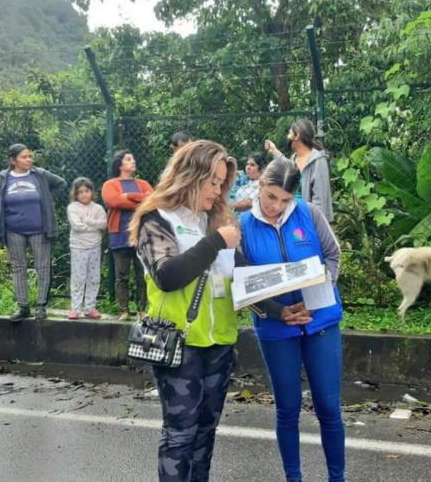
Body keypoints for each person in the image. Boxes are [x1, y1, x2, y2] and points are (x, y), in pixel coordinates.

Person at [129, 140, 241, 482]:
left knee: (206, 433)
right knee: (180, 434)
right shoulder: (157, 218)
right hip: (178, 343)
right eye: (213, 182)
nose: (218, 190)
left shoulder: (218, 219)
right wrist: (217, 241)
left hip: (220, 341)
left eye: (222, 183)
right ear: (191, 176)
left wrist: (280, 309)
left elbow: (242, 277)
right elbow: (167, 275)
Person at [239, 157, 345, 482]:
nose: (277, 206)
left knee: (328, 406)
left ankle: (336, 478)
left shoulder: (309, 213)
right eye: (271, 197)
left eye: (285, 200)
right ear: (260, 186)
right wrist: (276, 311)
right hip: (275, 327)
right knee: (287, 407)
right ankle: (293, 478)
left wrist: (314, 299)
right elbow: (241, 281)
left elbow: (333, 256)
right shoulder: (241, 226)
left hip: (321, 321)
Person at [0, 144, 66, 322]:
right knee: (19, 269)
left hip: (39, 230)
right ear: (13, 160)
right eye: (24, 157)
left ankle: (41, 307)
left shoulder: (40, 175)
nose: (29, 159)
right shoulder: (3, 178)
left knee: (43, 267)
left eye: (30, 156)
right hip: (13, 230)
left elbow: (61, 184)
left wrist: (47, 199)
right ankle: (23, 307)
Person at [101, 151, 152, 321]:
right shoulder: (110, 184)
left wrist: (127, 197)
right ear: (120, 164)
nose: (133, 161)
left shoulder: (143, 183)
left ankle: (142, 310)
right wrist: (139, 200)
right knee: (121, 275)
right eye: (128, 159)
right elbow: (114, 201)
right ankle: (124, 310)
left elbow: (151, 201)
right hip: (119, 235)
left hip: (142, 235)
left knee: (142, 275)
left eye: (133, 158)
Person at [265, 119, 334, 222]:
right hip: (294, 220)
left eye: (290, 133)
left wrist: (313, 226)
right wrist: (274, 151)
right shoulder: (294, 158)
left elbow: (320, 200)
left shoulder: (318, 160)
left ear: (297, 136)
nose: (287, 137)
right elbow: (287, 168)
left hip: (311, 222)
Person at [67, 177, 108, 320]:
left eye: (87, 191)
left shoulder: (98, 208)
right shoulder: (73, 207)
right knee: (78, 277)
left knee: (94, 277)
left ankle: (90, 307)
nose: (84, 194)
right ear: (76, 194)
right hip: (78, 247)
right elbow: (77, 226)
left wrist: (88, 221)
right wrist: (94, 226)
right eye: (80, 192)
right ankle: (75, 308)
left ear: (92, 192)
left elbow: (104, 224)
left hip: (95, 246)